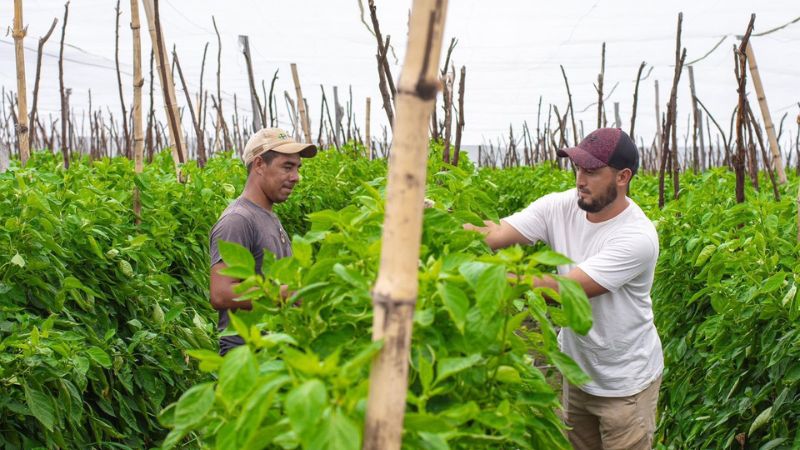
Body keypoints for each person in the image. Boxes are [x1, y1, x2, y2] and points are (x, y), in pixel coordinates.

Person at [466, 128, 663, 450]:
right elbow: (496, 232)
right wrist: (435, 221)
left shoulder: (636, 238)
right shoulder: (560, 206)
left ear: (623, 176)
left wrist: (485, 278)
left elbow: (566, 289)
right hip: (577, 371)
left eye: (592, 171)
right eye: (578, 169)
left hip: (625, 384)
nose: (580, 180)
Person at [208, 127, 317, 356]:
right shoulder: (237, 220)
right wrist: (291, 293)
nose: (296, 177)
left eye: (297, 168)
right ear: (259, 165)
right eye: (287, 167)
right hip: (247, 356)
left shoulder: (267, 215)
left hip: (273, 351)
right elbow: (220, 293)